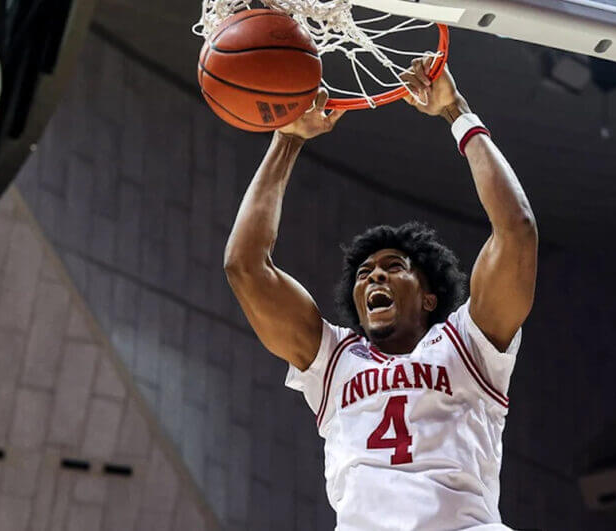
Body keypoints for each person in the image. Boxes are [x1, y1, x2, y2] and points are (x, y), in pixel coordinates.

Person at [224, 59, 538, 530]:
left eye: (394, 268)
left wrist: (457, 113)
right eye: (365, 272)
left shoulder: (467, 344)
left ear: (430, 297)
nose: (374, 278)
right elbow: (245, 266)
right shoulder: (333, 358)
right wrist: (287, 140)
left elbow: (516, 230)